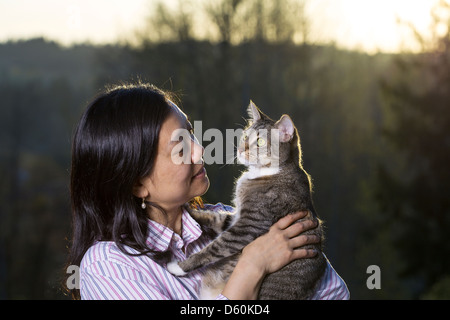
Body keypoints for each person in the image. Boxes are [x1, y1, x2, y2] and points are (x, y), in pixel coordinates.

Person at [66, 82, 349, 300]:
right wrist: (253, 266)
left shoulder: (230, 220)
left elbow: (335, 293)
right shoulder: (109, 266)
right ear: (137, 184)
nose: (200, 149)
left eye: (190, 131)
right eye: (180, 147)